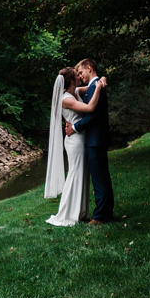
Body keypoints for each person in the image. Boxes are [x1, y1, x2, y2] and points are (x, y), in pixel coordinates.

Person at [45, 66, 107, 226]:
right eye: (76, 75)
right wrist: (99, 89)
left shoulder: (76, 92)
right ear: (71, 80)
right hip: (75, 141)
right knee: (75, 174)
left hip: (81, 138)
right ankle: (67, 213)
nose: (80, 76)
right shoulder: (66, 98)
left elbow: (93, 84)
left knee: (83, 174)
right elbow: (90, 108)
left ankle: (80, 212)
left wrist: (101, 81)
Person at [64, 58, 114, 223]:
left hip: (95, 140)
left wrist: (75, 127)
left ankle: (100, 216)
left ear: (89, 68)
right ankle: (104, 212)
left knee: (100, 179)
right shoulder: (93, 87)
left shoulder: (95, 86)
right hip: (93, 140)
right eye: (77, 74)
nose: (80, 76)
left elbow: (93, 114)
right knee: (101, 178)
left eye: (81, 72)